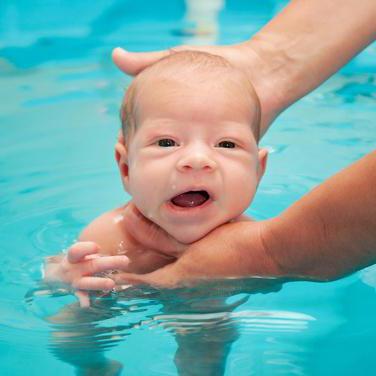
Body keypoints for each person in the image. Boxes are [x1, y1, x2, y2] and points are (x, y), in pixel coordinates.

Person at [103, 0, 376, 289]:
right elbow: (71, 309)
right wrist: (70, 277)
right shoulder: (113, 235)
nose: (196, 159)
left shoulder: (247, 232)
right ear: (125, 168)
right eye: (167, 142)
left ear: (258, 171)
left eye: (227, 144)